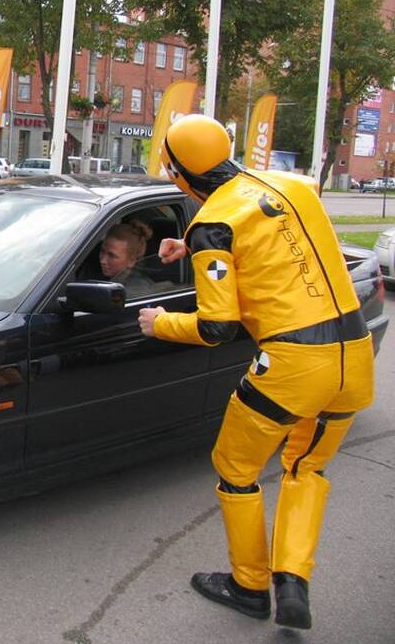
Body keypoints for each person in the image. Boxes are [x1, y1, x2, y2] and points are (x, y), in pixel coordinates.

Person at [138, 114, 375, 630]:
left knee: (235, 469)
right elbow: (287, 258)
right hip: (354, 356)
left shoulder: (213, 225)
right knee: (306, 468)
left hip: (292, 364)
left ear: (180, 172)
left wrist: (161, 323)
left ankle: (248, 585)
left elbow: (217, 328)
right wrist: (196, 251)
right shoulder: (293, 185)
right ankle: (292, 582)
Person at [99, 220, 154, 296]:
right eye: (102, 251)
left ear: (132, 261)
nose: (103, 260)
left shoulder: (135, 292)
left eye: (112, 256)